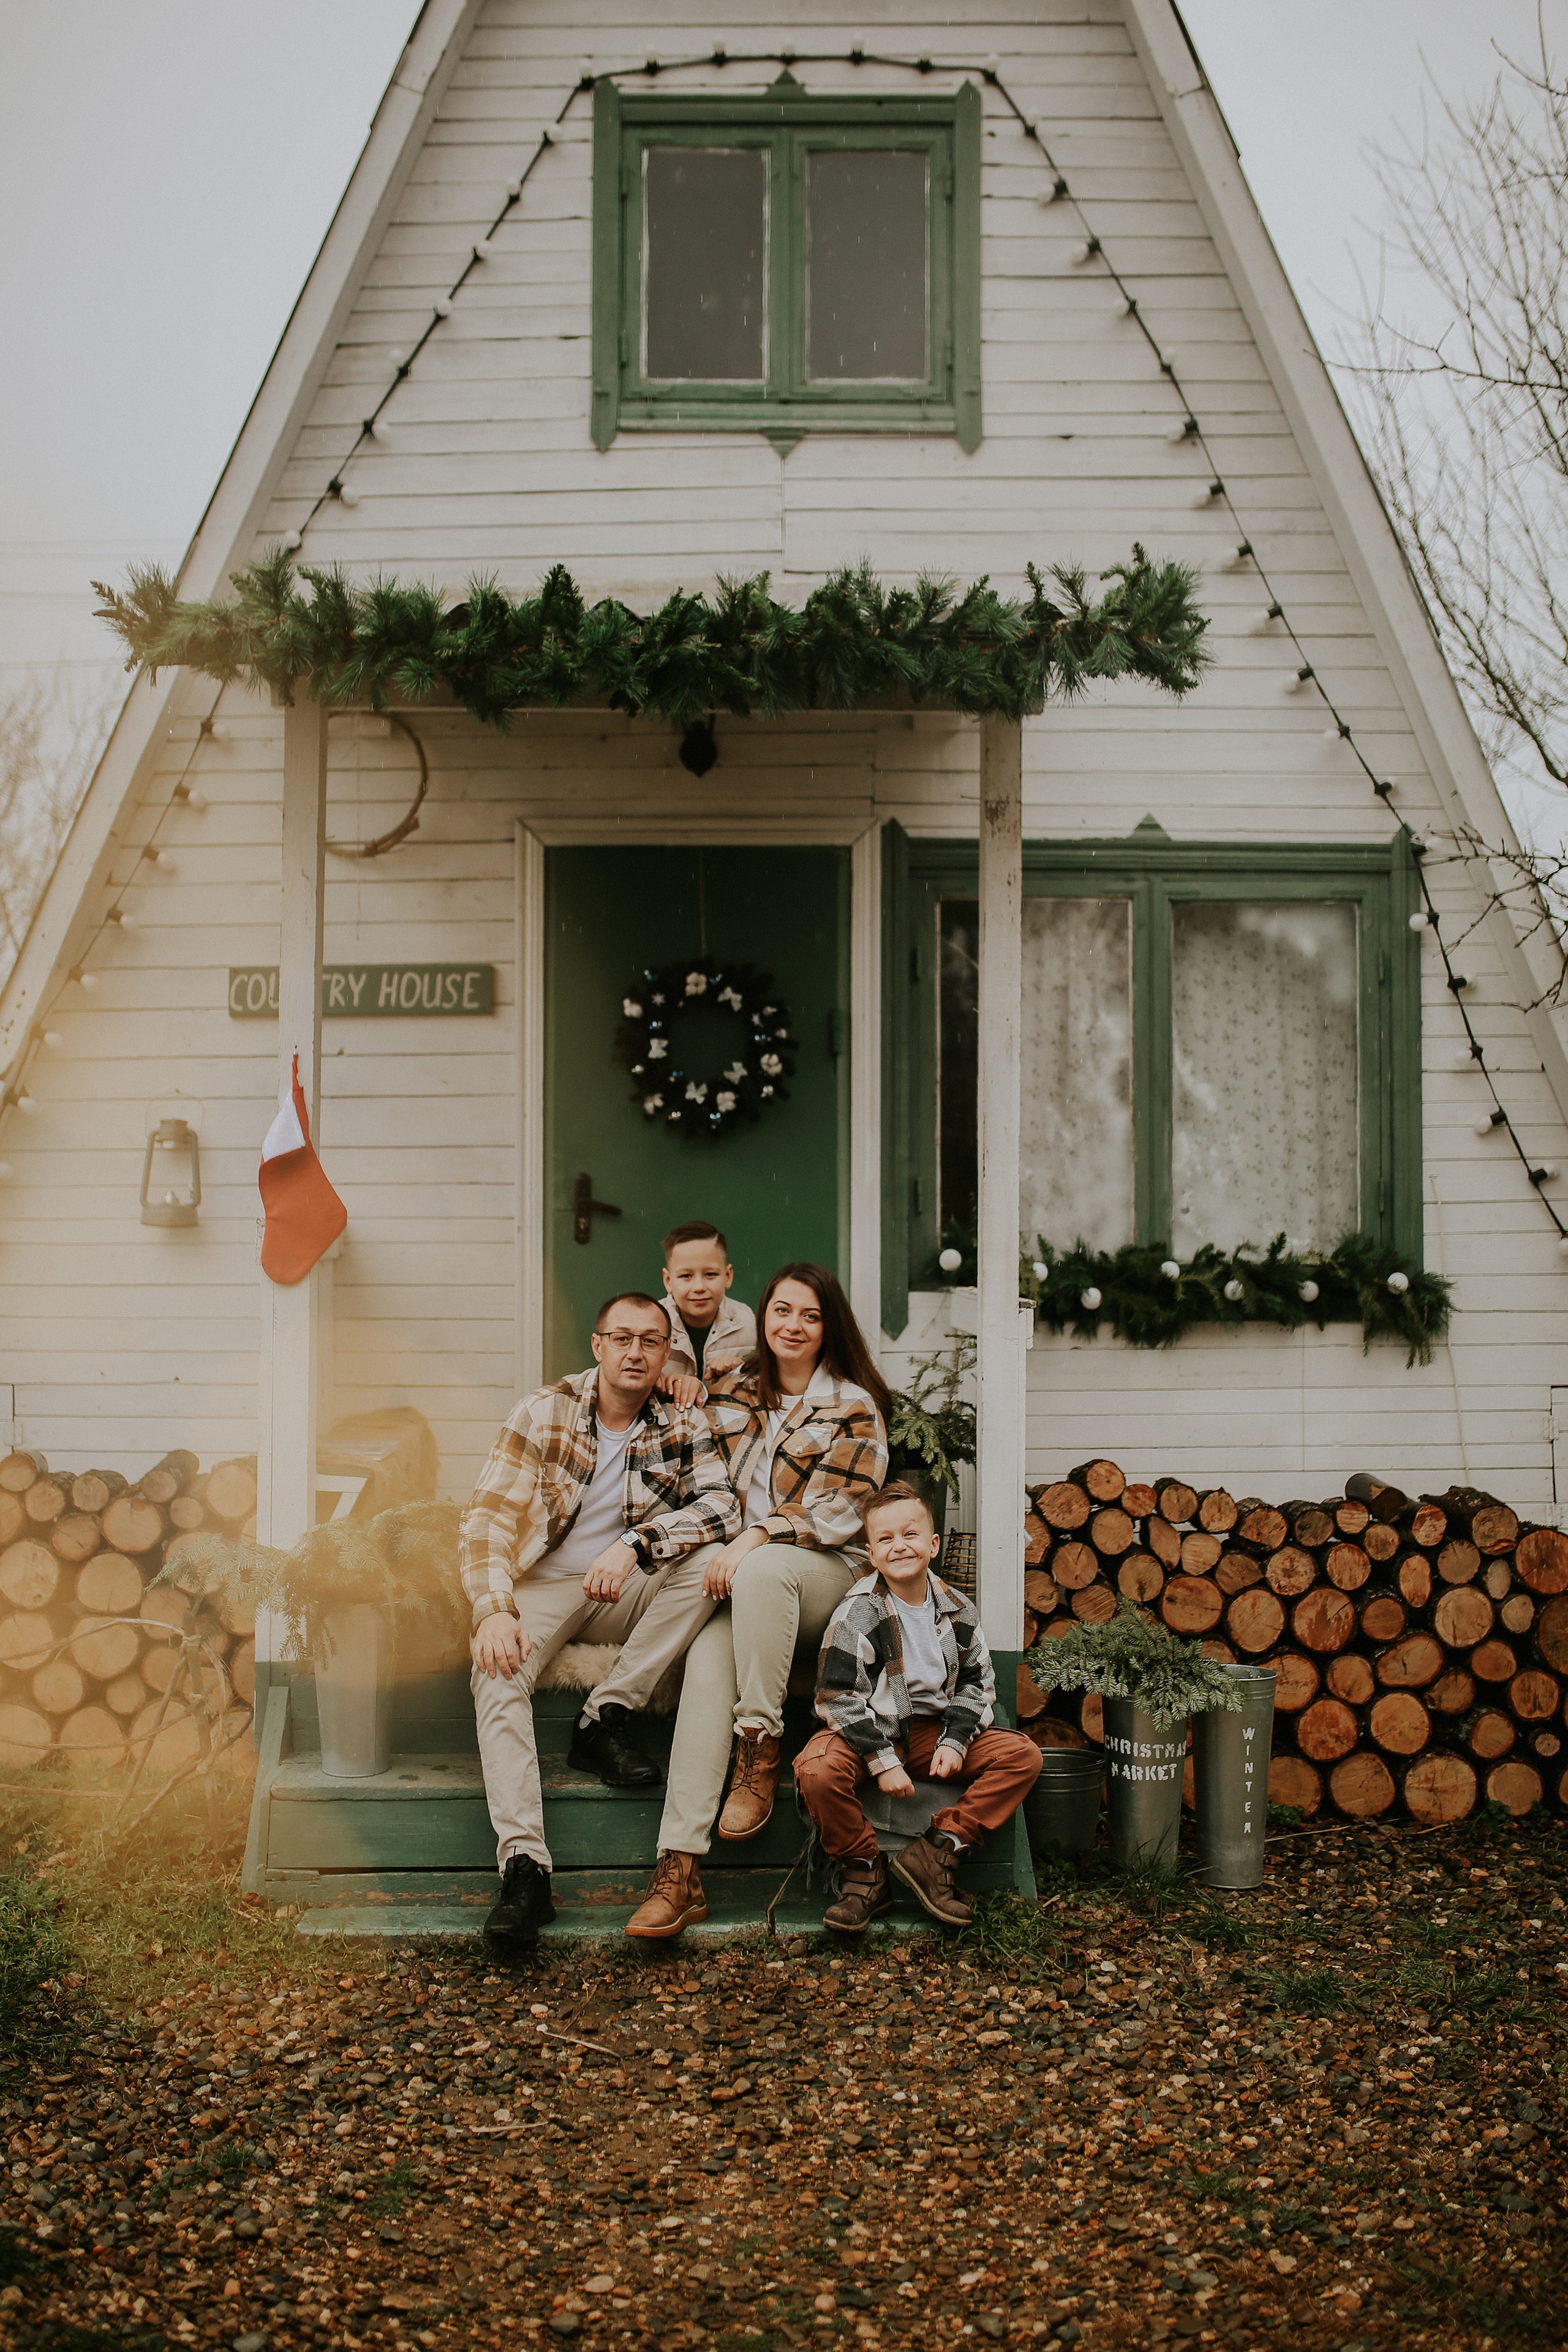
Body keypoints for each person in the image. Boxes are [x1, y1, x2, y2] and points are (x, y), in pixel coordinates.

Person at [459, 1291, 739, 1944]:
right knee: (496, 1672)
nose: (636, 1352)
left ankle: (605, 1715)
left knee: (715, 1561)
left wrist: (637, 1543)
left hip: (627, 1585)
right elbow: (486, 1521)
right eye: (622, 1338)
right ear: (598, 1345)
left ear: (668, 1352)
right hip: (545, 1587)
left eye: (651, 1340)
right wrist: (495, 1612)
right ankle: (525, 1870)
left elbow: (723, 1505)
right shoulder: (544, 1409)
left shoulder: (681, 1419)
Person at [624, 1262, 889, 1939]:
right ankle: (679, 1868)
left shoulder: (852, 1405)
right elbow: (675, 1445)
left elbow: (841, 1508)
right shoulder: (731, 1388)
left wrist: (754, 1539)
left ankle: (759, 1744)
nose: (792, 1327)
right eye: (781, 1312)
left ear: (829, 1326)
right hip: (741, 1583)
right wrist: (676, 1381)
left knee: (767, 1567)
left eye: (809, 1315)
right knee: (710, 1665)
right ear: (762, 1317)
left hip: (823, 1578)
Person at [794, 1481, 1042, 1932]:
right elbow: (838, 1697)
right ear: (871, 1554)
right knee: (815, 1769)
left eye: (910, 1535)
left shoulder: (958, 1609)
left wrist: (956, 1738)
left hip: (932, 1731)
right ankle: (865, 1872)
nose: (899, 1547)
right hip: (869, 1728)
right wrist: (881, 1759)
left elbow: (977, 1683)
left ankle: (938, 1850)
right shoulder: (856, 1615)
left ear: (933, 1545)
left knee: (1022, 1755)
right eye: (886, 1539)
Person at [660, 1219, 755, 1386]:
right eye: (686, 1276)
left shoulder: (748, 1324)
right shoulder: (651, 1325)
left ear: (728, 1276)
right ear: (668, 1281)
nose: (699, 1287)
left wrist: (740, 1370)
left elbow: (764, 1382)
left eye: (710, 1274)